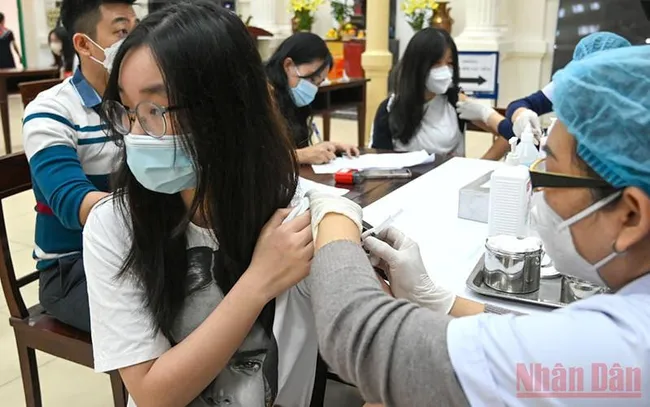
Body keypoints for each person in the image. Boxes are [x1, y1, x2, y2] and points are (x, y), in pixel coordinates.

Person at [304, 45, 650, 406]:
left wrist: (335, 216)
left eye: (551, 171)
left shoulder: (621, 349)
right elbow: (532, 336)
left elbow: (365, 339)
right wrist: (441, 301)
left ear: (631, 215)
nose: (538, 191)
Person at [83, 2, 318, 406]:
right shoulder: (115, 226)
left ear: (227, 110)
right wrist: (259, 281)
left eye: (156, 110)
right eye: (128, 110)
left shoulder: (295, 214)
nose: (136, 132)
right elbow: (153, 393)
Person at [21, 0, 137, 332]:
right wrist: (157, 209)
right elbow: (73, 201)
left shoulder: (141, 102)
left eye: (136, 28)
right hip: (73, 270)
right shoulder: (51, 111)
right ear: (84, 44)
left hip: (139, 250)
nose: (134, 42)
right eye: (121, 31)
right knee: (173, 316)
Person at [369, 27, 511, 160]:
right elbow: (380, 162)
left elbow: (510, 134)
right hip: (406, 183)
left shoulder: (456, 102)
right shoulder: (389, 109)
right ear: (417, 66)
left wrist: (478, 164)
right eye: (436, 64)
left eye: (450, 64)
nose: (444, 71)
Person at [506, 31, 630, 139]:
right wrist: (522, 115)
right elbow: (522, 104)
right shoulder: (572, 83)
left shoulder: (636, 99)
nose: (594, 85)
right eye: (588, 75)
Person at [266, 32, 359, 165]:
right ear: (288, 65)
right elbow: (255, 157)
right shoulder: (261, 96)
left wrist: (328, 146)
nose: (312, 89)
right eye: (311, 79)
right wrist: (301, 156)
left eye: (318, 83)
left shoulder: (289, 99)